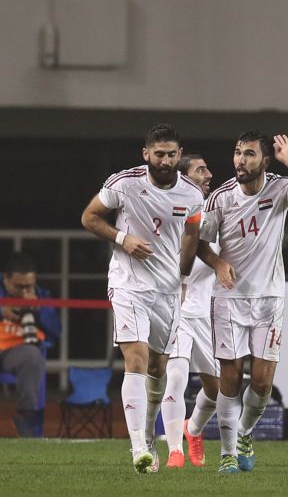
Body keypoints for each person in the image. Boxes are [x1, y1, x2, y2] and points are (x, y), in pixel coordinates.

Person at [197, 132, 288, 474]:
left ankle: (243, 433)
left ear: (265, 161)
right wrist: (217, 263)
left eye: (249, 154)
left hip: (269, 300)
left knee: (261, 382)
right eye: (238, 153)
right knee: (231, 376)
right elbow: (198, 242)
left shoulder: (280, 187)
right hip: (228, 299)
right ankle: (227, 453)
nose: (241, 160)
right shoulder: (220, 198)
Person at [80, 123, 204, 473]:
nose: (164, 160)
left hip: (167, 290)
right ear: (145, 153)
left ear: (180, 156)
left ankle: (148, 433)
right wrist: (123, 239)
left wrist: (181, 277)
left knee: (157, 368)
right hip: (128, 284)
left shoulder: (192, 195)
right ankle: (139, 449)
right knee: (135, 358)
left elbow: (191, 235)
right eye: (158, 154)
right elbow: (89, 217)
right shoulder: (124, 183)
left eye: (171, 154)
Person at [159, 154, 219, 468]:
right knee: (177, 377)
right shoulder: (172, 212)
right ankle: (174, 451)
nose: (209, 174)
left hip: (206, 315)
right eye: (201, 170)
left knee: (216, 388)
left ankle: (192, 429)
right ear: (184, 177)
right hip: (175, 309)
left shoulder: (216, 212)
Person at [0, 253, 61, 437]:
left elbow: (56, 332)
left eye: (28, 286)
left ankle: (25, 415)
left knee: (32, 356)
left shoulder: (42, 296)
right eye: (18, 286)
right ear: (6, 279)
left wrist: (39, 309)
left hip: (16, 352)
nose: (23, 291)